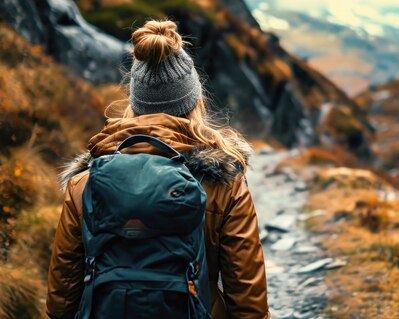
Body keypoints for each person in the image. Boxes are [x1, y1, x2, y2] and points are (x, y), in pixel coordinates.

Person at [46, 19, 270, 319]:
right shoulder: (224, 183)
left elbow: (62, 297)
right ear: (194, 102)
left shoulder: (86, 183)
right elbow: (247, 301)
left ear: (134, 104)